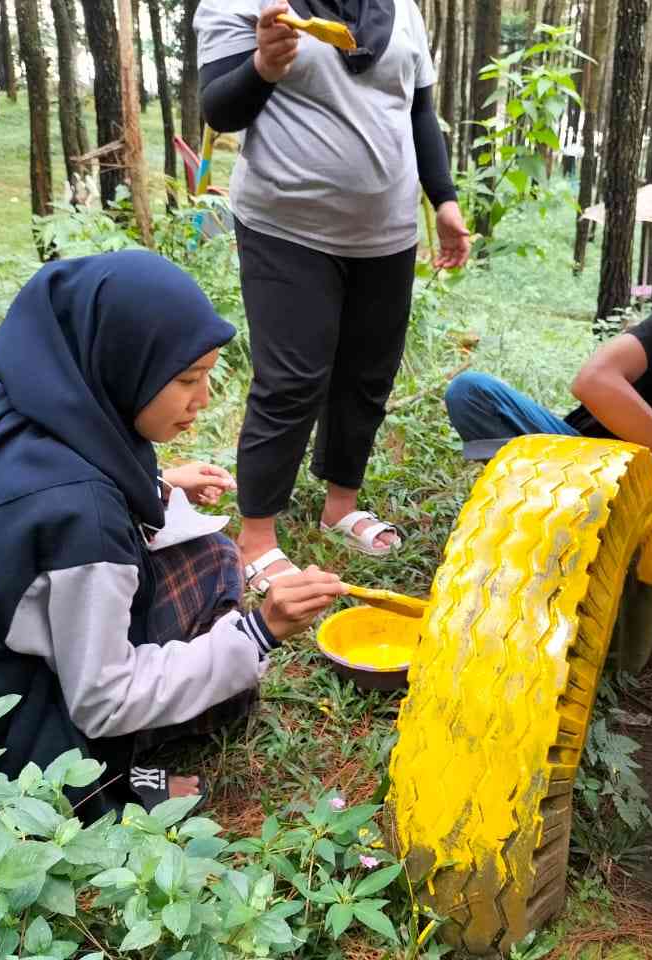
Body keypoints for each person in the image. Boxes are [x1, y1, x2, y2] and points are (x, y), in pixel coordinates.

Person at [0, 252, 346, 820]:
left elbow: (17, 505)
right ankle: (118, 779)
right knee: (220, 595)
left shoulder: (1, 404)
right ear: (120, 362)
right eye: (187, 379)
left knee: (206, 550)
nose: (204, 399)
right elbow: (105, 696)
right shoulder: (83, 514)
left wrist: (156, 481)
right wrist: (262, 632)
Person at [194, 0, 471, 592]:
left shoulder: (401, 10)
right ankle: (258, 535)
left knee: (367, 374)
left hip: (388, 231)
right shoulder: (244, 5)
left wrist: (443, 200)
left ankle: (340, 505)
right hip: (286, 226)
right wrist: (264, 67)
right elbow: (218, 106)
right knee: (292, 377)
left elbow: (418, 109)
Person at [445, 291, 652, 528]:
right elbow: (592, 382)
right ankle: (534, 502)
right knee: (469, 393)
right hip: (579, 463)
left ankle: (625, 531)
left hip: (643, 495)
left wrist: (650, 534)